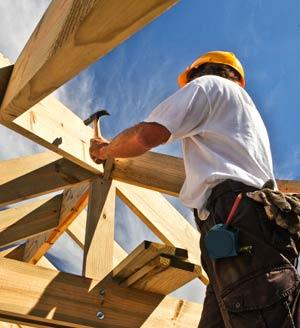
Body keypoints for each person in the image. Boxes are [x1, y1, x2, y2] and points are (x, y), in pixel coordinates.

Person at [89, 51, 300, 327]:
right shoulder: (244, 117)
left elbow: (146, 135)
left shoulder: (210, 86)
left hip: (237, 220)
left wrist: (105, 150)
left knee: (260, 312)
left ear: (200, 73)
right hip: (242, 230)